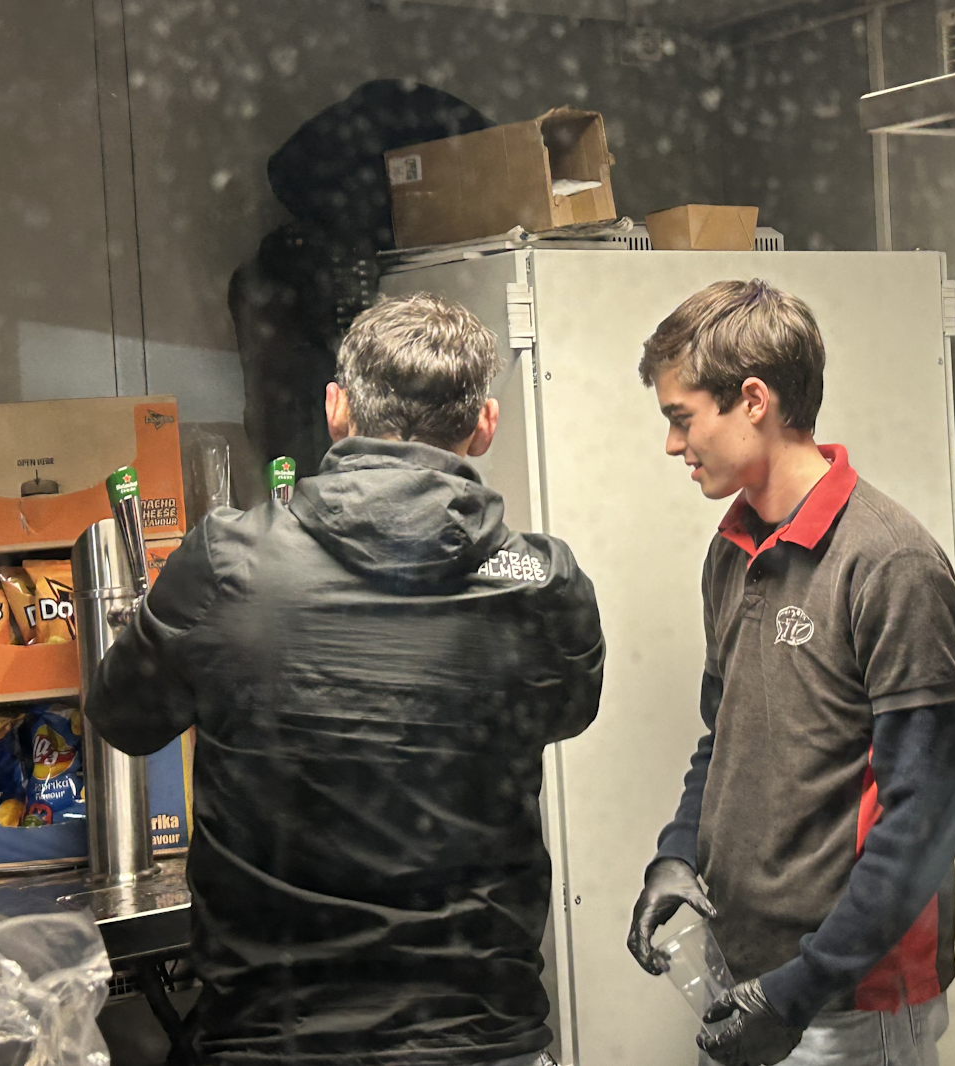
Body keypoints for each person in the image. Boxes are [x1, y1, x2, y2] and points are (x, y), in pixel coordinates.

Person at [87, 293, 604, 1066]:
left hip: (273, 1040)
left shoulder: (228, 562)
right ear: (484, 424)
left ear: (337, 409)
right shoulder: (541, 581)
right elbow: (567, 710)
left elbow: (122, 717)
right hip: (479, 1037)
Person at [625, 280, 955, 1066]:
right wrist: (678, 852)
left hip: (847, 1002)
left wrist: (802, 986)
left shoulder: (891, 562)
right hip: (744, 977)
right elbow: (724, 737)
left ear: (754, 400)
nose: (674, 446)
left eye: (682, 418)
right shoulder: (732, 548)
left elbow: (931, 809)